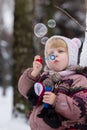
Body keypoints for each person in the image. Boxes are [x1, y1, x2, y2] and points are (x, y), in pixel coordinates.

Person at [18, 35, 87, 130]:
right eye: (51, 53)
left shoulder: (78, 79)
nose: (55, 55)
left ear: (72, 56)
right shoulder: (44, 77)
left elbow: (79, 109)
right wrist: (34, 73)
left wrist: (56, 101)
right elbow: (25, 91)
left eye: (60, 51)